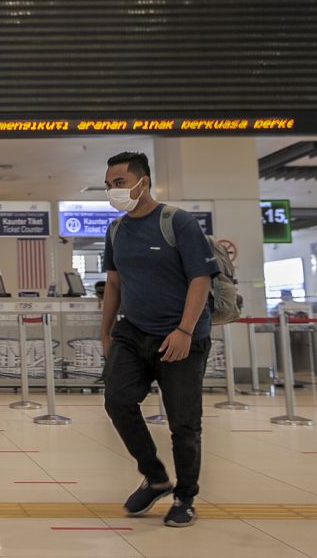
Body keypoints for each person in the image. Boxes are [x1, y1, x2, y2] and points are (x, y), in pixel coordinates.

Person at [99, 151, 219, 528]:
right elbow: (114, 283)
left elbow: (201, 278)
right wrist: (105, 332)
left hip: (180, 335)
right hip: (134, 332)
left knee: (184, 423)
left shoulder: (177, 222)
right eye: (109, 185)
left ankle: (185, 496)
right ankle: (155, 477)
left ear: (143, 182)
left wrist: (185, 330)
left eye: (119, 183)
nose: (113, 191)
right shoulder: (116, 229)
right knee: (117, 401)